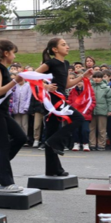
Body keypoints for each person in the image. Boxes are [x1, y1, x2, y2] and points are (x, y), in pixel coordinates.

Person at [0, 39, 26, 193]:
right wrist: (15, 81)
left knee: (21, 138)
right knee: (4, 146)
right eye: (13, 52)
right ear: (6, 53)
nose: (14, 56)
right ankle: (5, 183)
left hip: (1, 112)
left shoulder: (3, 69)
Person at [37, 38, 85, 176]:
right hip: (53, 101)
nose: (68, 47)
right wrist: (46, 86)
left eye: (67, 44)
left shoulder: (66, 64)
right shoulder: (50, 63)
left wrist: (82, 76)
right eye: (64, 45)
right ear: (55, 49)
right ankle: (54, 142)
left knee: (52, 132)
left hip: (61, 98)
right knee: (78, 119)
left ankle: (53, 169)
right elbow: (32, 77)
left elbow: (67, 85)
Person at [67, 77, 95, 152]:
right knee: (75, 130)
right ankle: (76, 143)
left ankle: (85, 143)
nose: (79, 83)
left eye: (81, 81)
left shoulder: (89, 90)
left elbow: (92, 102)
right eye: (78, 81)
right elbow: (69, 101)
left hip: (85, 114)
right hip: (75, 114)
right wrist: (73, 109)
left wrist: (87, 110)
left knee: (85, 130)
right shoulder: (72, 91)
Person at [90, 71, 111, 151]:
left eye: (98, 77)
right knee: (91, 128)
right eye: (95, 77)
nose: (96, 79)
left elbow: (110, 100)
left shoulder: (106, 88)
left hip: (103, 110)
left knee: (102, 129)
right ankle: (92, 144)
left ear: (101, 78)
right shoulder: (89, 87)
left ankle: (101, 144)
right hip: (91, 110)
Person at [10, 71, 32, 139]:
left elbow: (29, 97)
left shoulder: (28, 86)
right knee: (17, 124)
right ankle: (17, 137)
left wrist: (26, 107)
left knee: (24, 124)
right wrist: (12, 106)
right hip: (16, 107)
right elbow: (12, 97)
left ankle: (24, 137)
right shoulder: (15, 86)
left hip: (24, 107)